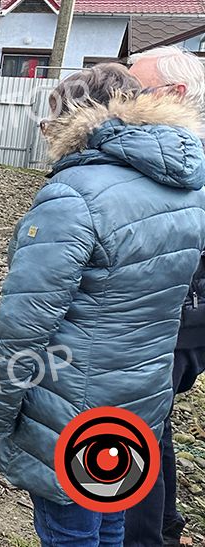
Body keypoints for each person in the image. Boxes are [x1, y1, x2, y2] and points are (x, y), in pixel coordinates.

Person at [0, 63, 205, 546]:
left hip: (71, 407)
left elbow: (23, 325)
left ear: (74, 119)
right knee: (111, 512)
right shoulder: (187, 189)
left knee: (70, 529)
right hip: (142, 397)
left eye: (49, 121)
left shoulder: (73, 196)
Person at [125, 46, 205, 547]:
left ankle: (139, 538)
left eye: (134, 91)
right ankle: (164, 527)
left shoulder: (182, 159)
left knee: (130, 432)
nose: (123, 101)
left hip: (174, 321)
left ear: (174, 93)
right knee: (153, 426)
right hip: (178, 319)